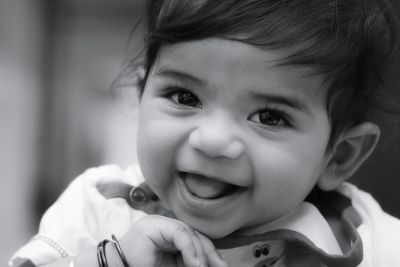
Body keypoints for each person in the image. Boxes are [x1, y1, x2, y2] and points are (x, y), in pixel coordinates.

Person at [10, 0, 400, 266]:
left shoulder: (373, 243)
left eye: (269, 116)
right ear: (140, 95)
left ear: (340, 155)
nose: (212, 140)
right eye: (184, 96)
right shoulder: (99, 207)